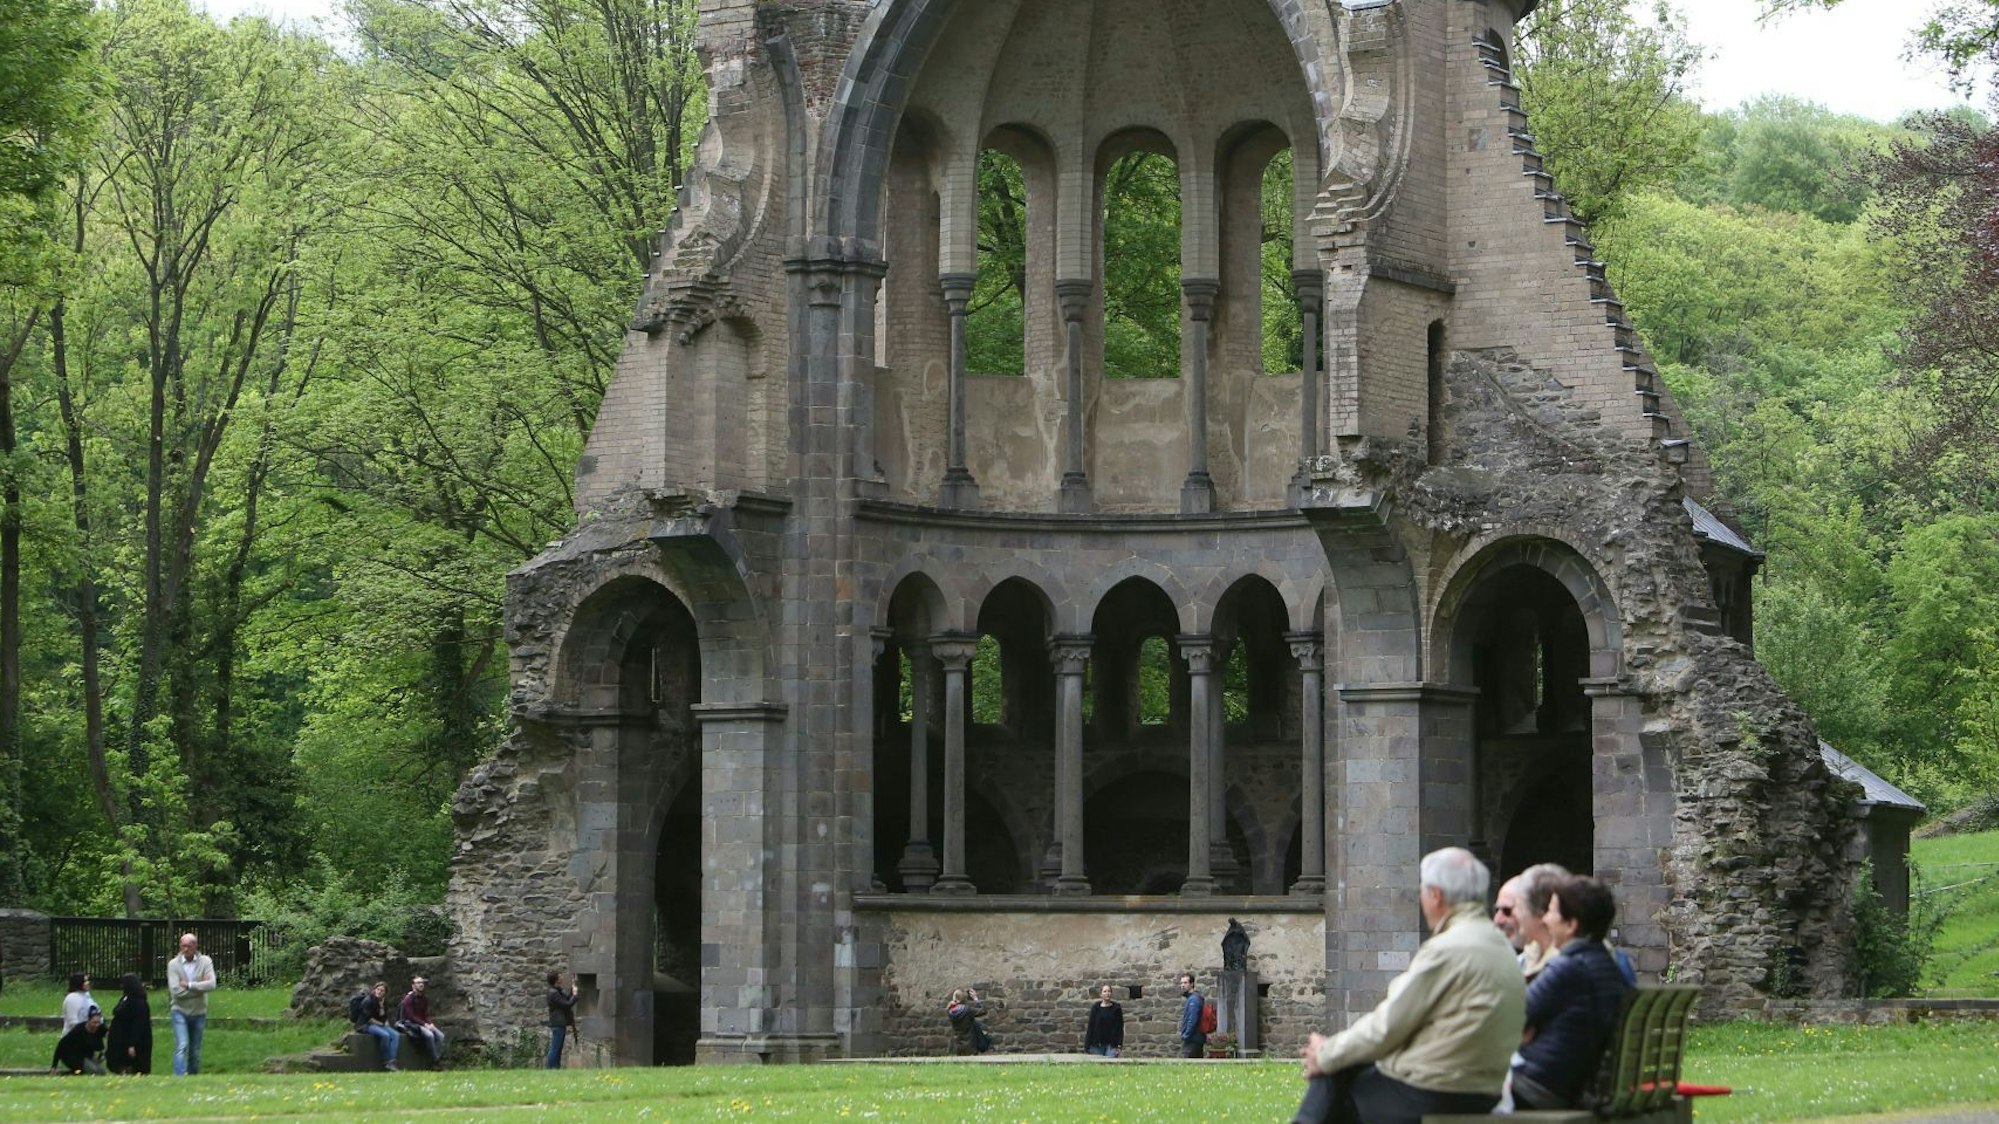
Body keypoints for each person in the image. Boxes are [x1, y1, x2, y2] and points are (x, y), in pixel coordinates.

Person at [1291, 847, 1526, 1124]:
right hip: (1482, 1091)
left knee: (1332, 1075)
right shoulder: (1501, 947)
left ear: (1436, 895)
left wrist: (1326, 1052)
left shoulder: (1447, 949)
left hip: (1434, 1092)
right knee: (1344, 1066)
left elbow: (1388, 1026)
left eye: (1423, 891)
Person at [1512, 877, 1635, 1110]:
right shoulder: (1607, 966)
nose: (1545, 919)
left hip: (1536, 1086)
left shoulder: (1568, 968)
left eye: (1551, 912)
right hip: (1569, 1084)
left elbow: (1510, 1021)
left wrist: (1531, 1031)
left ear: (1571, 925)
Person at [166, 932, 216, 1077]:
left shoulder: (205, 962)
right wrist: (200, 988)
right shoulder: (174, 965)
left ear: (195, 946)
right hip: (179, 1010)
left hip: (199, 1011)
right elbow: (175, 991)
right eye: (183, 946)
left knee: (195, 1049)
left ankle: (192, 1078)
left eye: (189, 946)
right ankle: (179, 1076)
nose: (185, 949)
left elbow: (212, 984)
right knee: (182, 1045)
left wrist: (189, 985)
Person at [1515, 863, 1572, 980]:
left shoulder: (1568, 966)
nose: (1515, 913)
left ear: (1540, 914)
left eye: (1519, 906)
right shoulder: (1528, 956)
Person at [107, 973, 152, 1075]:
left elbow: (138, 1025)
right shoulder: (125, 998)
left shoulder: (139, 1003)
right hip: (120, 1039)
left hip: (130, 1040)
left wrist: (132, 1044)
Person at [353, 981, 400, 1071]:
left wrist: (382, 1007)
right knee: (385, 1035)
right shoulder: (368, 1001)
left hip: (378, 1024)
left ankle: (392, 1061)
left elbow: (384, 1016)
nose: (379, 992)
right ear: (374, 990)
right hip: (365, 1025)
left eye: (382, 991)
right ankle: (386, 1060)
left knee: (395, 1035)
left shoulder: (384, 1002)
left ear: (385, 993)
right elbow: (369, 1019)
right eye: (377, 989)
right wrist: (382, 1025)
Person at [51, 1005, 108, 1075]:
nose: (96, 1025)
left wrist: (106, 1052)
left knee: (101, 1070)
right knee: (96, 1071)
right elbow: (61, 1045)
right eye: (94, 1022)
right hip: (72, 1056)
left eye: (98, 1022)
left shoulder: (101, 1028)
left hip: (87, 1055)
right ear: (88, 1020)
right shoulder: (79, 1030)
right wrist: (54, 1066)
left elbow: (110, 1036)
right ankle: (75, 1072)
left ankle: (79, 1072)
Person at [399, 976, 445, 1064]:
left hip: (423, 1023)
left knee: (440, 1036)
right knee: (429, 1035)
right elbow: (411, 1016)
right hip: (412, 1024)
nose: (421, 984)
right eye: (418, 983)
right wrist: (425, 1024)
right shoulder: (408, 999)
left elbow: (425, 1014)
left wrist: (430, 1023)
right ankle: (435, 1062)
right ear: (413, 985)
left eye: (422, 983)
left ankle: (436, 1058)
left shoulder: (424, 998)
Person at [546, 971, 578, 1069]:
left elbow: (566, 999)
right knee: (555, 1048)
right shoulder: (554, 993)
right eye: (560, 977)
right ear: (556, 980)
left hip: (560, 1023)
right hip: (558, 1023)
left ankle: (556, 1067)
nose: (562, 978)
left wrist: (572, 991)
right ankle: (551, 1068)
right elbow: (566, 1005)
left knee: (558, 1047)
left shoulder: (557, 991)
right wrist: (575, 996)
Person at [1084, 984, 1124, 1058]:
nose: (1107, 993)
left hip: (1112, 1044)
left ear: (1111, 993)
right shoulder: (1096, 1008)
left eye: (1109, 991)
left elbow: (1119, 1028)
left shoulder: (1116, 1008)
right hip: (1097, 1044)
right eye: (1105, 991)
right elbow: (1091, 1026)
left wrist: (1119, 1045)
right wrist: (1087, 1045)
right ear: (1101, 994)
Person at [946, 987, 989, 1055]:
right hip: (970, 1044)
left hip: (956, 1045)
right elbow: (984, 1011)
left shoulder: (949, 1011)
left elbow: (951, 1005)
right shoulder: (968, 1010)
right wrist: (976, 999)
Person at [1177, 973, 1204, 1059]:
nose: (1182, 985)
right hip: (1195, 1038)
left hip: (1193, 1039)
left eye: (1185, 983)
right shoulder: (1192, 998)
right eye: (1181, 983)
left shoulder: (1194, 999)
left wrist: (1186, 1036)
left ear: (1192, 984)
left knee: (1187, 1064)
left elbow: (1192, 1019)